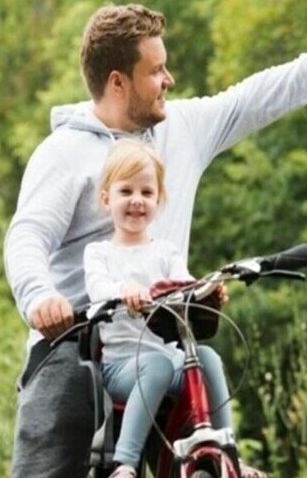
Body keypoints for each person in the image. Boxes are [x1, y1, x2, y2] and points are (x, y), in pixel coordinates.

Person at [4, 0, 307, 478]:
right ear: (117, 82)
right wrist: (40, 296)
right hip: (76, 341)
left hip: (157, 337)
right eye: (155, 71)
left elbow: (254, 98)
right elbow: (27, 236)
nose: (169, 79)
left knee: (208, 448)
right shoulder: (64, 153)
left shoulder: (182, 128)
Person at [84, 139, 226, 478]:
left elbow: (184, 284)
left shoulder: (166, 252)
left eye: (147, 193)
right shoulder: (99, 253)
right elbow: (97, 288)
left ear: (158, 200)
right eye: (126, 191)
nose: (137, 200)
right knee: (157, 365)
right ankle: (125, 464)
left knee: (208, 358)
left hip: (168, 362)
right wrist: (123, 291)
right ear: (107, 199)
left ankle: (224, 447)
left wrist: (207, 293)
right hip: (122, 367)